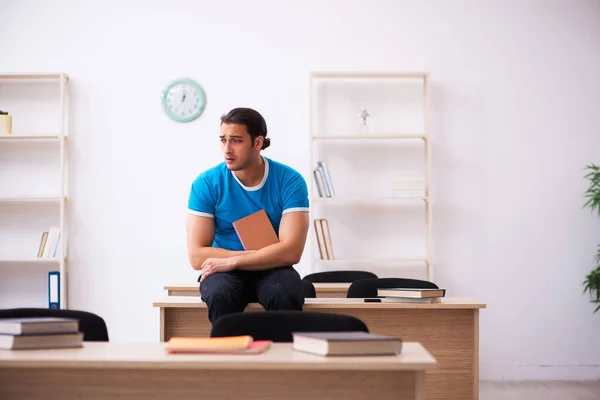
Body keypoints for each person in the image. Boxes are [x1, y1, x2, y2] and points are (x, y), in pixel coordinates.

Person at [186, 107, 310, 325]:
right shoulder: (206, 183)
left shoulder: (289, 181)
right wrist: (258, 256)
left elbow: (291, 251)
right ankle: (230, 357)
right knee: (219, 294)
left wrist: (234, 261)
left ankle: (284, 356)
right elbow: (197, 256)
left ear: (258, 142)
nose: (227, 149)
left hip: (271, 268)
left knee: (285, 293)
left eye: (236, 140)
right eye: (223, 140)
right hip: (224, 273)